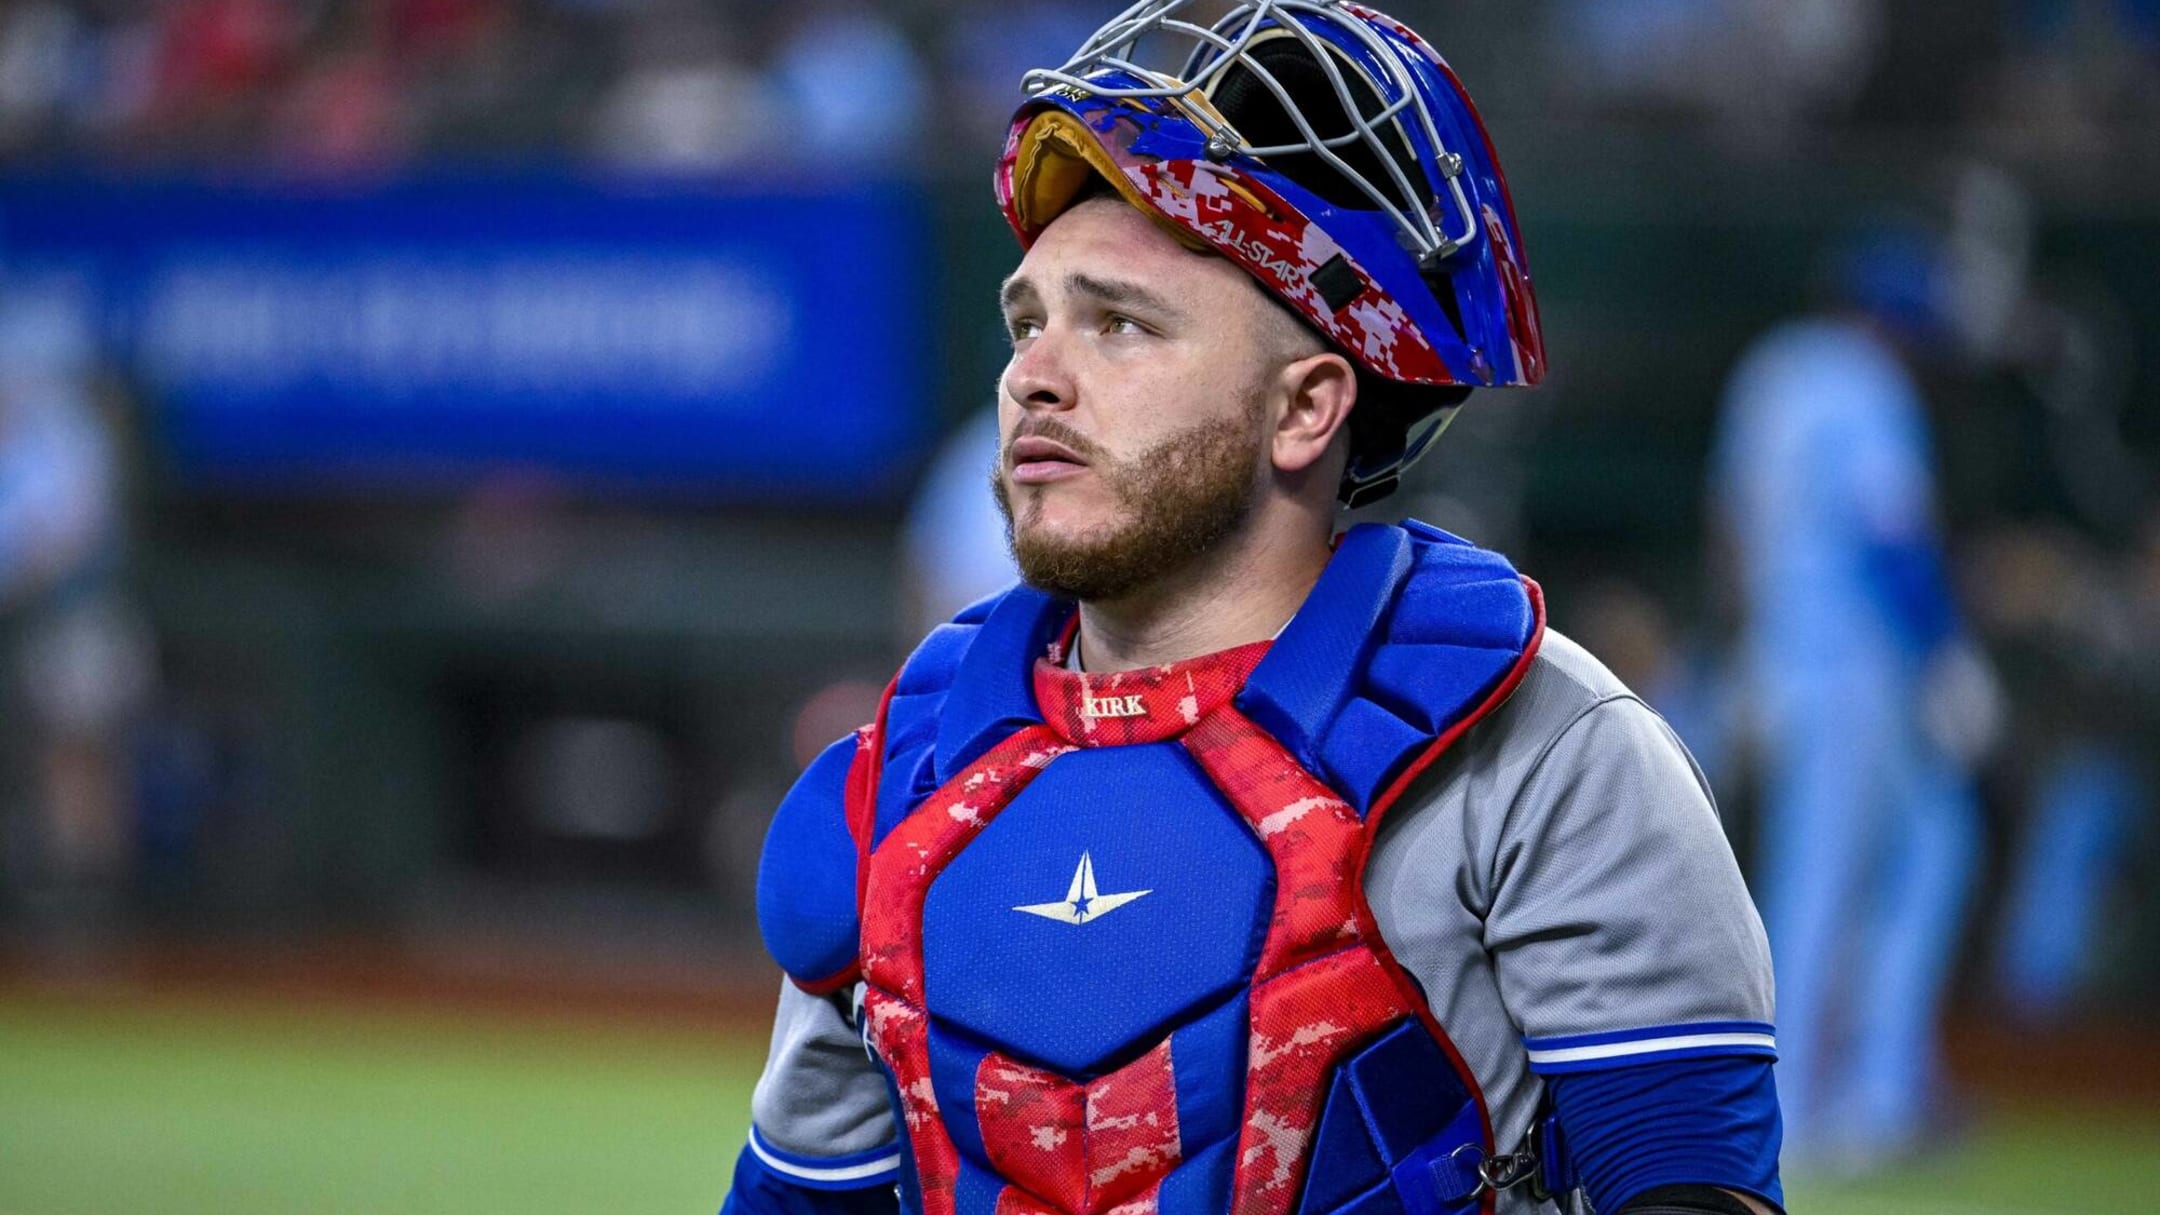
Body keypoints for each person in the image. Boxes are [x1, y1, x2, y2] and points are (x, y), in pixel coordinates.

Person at [729, 5, 1782, 1215]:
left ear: (1307, 409)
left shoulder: (1540, 748)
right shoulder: (901, 783)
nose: (1034, 372)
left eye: (1119, 323)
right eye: (1030, 320)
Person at [1708, 190, 2017, 1170]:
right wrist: (1949, 658)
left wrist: (1747, 650)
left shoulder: (1772, 370)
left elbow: (1733, 530)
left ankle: (1874, 1088)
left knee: (1917, 842)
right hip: (1858, 665)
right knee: (1831, 875)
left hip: (1787, 654)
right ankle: (1816, 1104)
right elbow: (1893, 543)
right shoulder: (1865, 383)